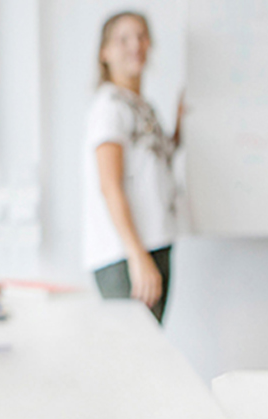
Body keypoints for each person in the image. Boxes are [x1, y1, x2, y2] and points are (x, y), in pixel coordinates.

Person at [84, 10, 183, 322]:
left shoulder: (142, 106)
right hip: (126, 254)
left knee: (149, 351)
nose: (135, 45)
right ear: (105, 52)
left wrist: (181, 124)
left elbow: (157, 160)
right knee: (133, 358)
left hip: (155, 242)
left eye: (141, 36)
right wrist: (136, 255)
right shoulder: (109, 107)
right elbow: (109, 185)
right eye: (123, 38)